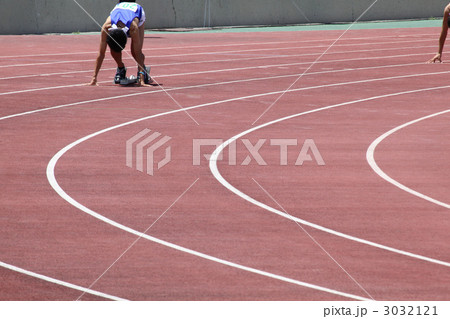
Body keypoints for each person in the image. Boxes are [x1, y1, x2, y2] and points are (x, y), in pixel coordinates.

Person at [89, 0, 153, 86]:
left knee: (134, 51)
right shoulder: (106, 27)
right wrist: (94, 78)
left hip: (137, 13)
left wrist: (141, 80)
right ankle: (121, 68)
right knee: (114, 51)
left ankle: (142, 71)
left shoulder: (133, 28)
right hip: (120, 11)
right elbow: (101, 53)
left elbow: (138, 53)